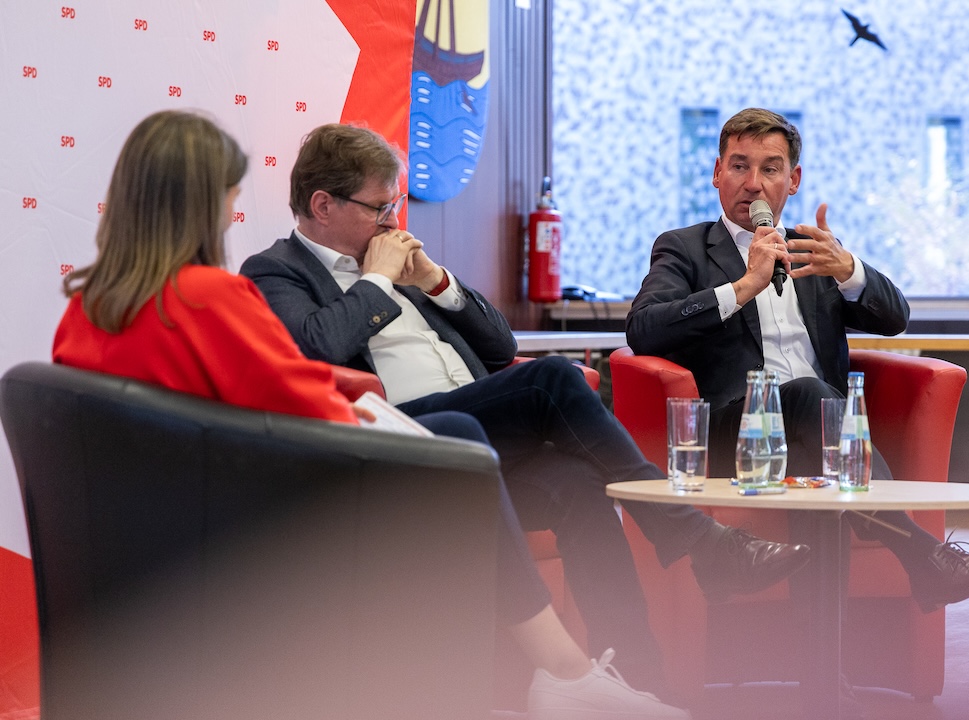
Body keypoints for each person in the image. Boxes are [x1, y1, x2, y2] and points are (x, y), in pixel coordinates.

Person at [51, 110, 690, 720]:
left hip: (177, 521)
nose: (231, 210)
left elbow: (493, 347)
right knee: (471, 432)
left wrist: (432, 281)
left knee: (563, 478)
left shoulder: (86, 309)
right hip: (288, 499)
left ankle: (616, 680)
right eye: (227, 195)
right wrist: (379, 313)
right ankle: (576, 660)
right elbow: (300, 391)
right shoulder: (227, 288)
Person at [238, 123, 812, 697]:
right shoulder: (276, 270)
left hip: (474, 434)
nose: (393, 221)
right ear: (323, 205)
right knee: (552, 379)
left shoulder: (397, 263)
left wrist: (436, 282)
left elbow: (501, 348)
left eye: (397, 204)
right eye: (380, 207)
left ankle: (638, 683)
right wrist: (378, 279)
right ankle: (698, 541)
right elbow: (314, 348)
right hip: (397, 442)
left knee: (578, 482)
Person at [625, 107, 969, 617]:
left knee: (821, 460)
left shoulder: (814, 253)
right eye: (739, 166)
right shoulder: (685, 249)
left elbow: (896, 317)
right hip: (733, 435)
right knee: (813, 400)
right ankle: (924, 558)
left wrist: (851, 271)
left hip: (818, 435)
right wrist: (742, 288)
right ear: (717, 172)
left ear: (794, 179)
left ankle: (824, 686)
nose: (754, 184)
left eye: (770, 168)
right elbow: (643, 328)